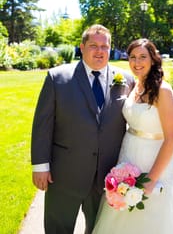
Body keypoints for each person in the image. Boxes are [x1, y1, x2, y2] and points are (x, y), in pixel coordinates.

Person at [92, 38, 173, 234]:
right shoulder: (135, 86)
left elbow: (172, 138)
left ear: (153, 59)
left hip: (153, 160)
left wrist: (151, 179)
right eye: (132, 57)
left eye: (142, 57)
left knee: (153, 214)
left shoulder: (163, 91)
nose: (137, 63)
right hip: (128, 156)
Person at [31, 24, 135, 234]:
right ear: (82, 47)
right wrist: (40, 166)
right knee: (58, 228)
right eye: (93, 45)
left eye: (105, 46)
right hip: (64, 175)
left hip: (108, 178)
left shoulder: (127, 80)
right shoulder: (57, 78)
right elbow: (43, 124)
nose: (99, 51)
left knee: (99, 230)